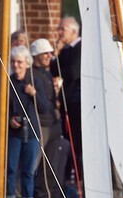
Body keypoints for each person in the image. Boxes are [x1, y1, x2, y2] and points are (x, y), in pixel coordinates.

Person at [6, 45, 47, 198]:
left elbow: (44, 107)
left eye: (20, 62)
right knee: (11, 167)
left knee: (28, 169)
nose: (16, 66)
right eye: (14, 62)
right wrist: (9, 120)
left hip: (31, 130)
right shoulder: (8, 81)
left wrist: (34, 94)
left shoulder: (34, 81)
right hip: (14, 131)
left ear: (27, 64)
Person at [29, 38, 65, 198]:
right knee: (33, 163)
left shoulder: (48, 73)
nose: (49, 56)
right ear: (36, 55)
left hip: (52, 122)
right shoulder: (31, 74)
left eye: (50, 53)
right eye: (46, 54)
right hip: (40, 124)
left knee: (50, 164)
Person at [51, 16, 83, 184]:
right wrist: (56, 53)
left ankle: (78, 179)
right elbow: (53, 69)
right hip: (67, 102)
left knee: (78, 141)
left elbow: (73, 72)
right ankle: (67, 177)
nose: (59, 33)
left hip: (78, 102)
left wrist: (61, 69)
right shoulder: (65, 50)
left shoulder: (80, 47)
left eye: (62, 29)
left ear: (73, 31)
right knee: (67, 140)